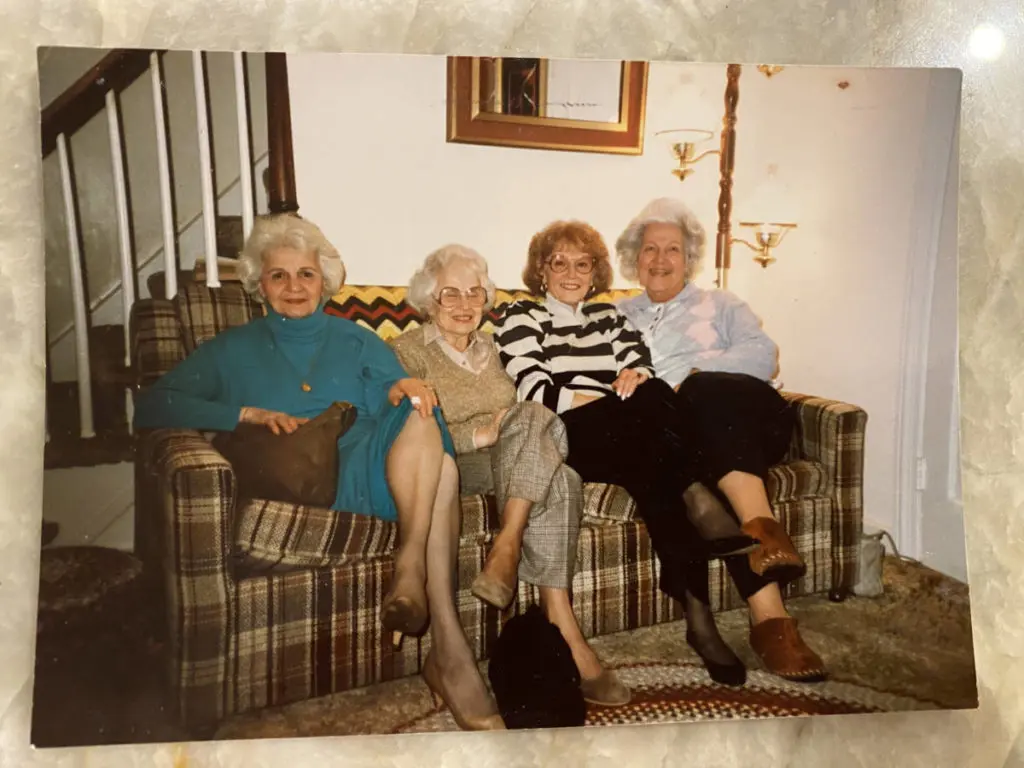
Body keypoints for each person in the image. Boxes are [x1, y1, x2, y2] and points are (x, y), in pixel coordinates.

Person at [133, 214, 504, 730]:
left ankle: (415, 581)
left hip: (375, 465)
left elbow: (392, 390)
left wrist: (402, 388)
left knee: (422, 410)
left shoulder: (355, 339)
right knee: (440, 469)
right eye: (279, 275)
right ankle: (447, 647)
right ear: (258, 283)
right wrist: (243, 414)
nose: (293, 287)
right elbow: (153, 405)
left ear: (324, 280)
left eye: (305, 274)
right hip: (303, 473)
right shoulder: (231, 349)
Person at [493, 219, 761, 687]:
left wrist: (634, 377)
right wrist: (609, 401)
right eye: (560, 263)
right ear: (541, 270)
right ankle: (697, 494)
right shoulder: (521, 316)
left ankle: (700, 619)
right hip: (565, 434)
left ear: (596, 271)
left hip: (624, 438)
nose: (572, 274)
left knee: (655, 448)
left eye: (583, 264)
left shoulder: (610, 317)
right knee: (649, 418)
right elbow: (535, 391)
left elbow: (638, 361)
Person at [392, 244, 630, 707]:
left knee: (559, 469)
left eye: (474, 293)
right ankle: (556, 612)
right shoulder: (406, 352)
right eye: (450, 294)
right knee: (538, 431)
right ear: (427, 300)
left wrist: (516, 423)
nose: (465, 305)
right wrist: (481, 433)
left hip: (519, 451)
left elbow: (535, 401)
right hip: (455, 463)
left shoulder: (499, 346)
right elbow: (405, 434)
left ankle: (515, 554)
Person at [614, 196, 827, 682]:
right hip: (687, 440)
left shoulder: (722, 303)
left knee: (706, 392)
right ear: (635, 258)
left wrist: (690, 378)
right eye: (651, 249)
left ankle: (759, 527)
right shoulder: (617, 317)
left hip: (747, 418)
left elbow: (762, 354)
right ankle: (772, 618)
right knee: (694, 474)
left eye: (672, 249)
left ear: (688, 258)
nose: (661, 259)